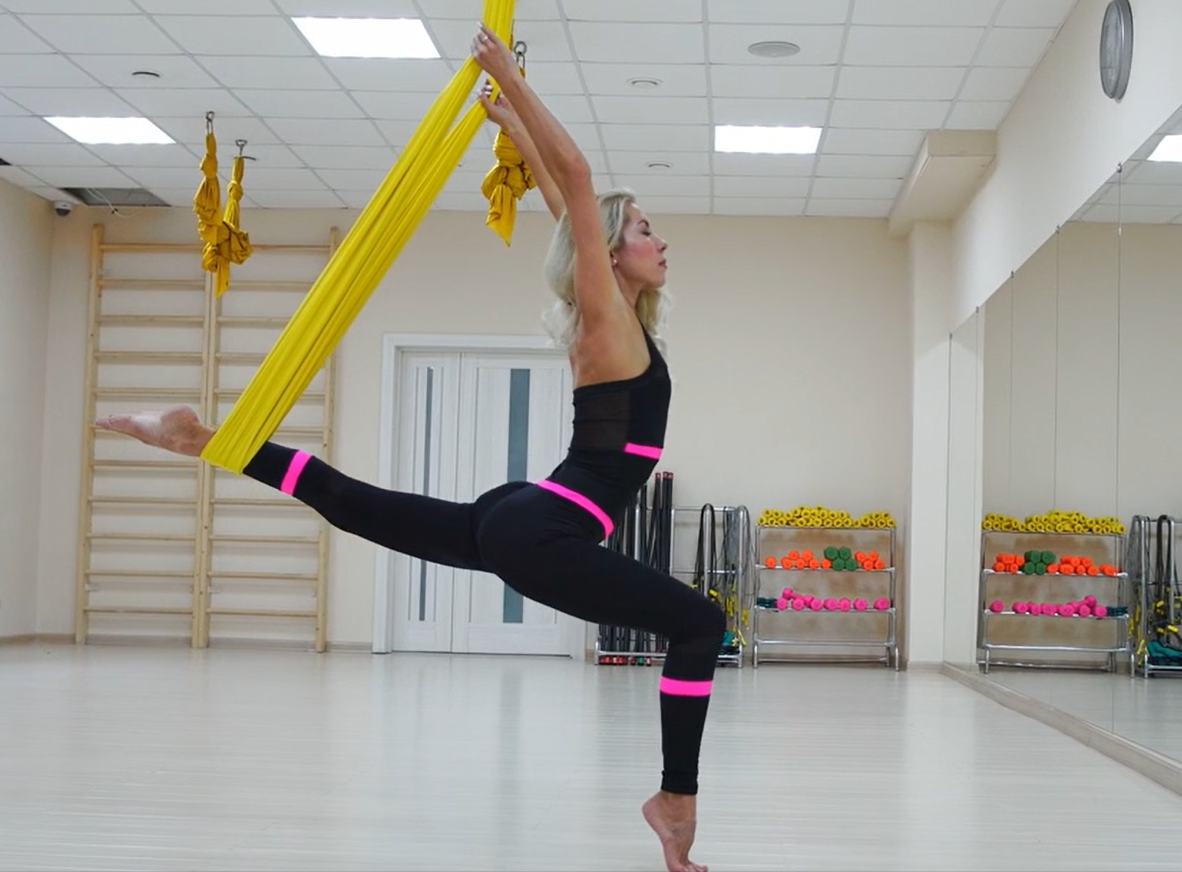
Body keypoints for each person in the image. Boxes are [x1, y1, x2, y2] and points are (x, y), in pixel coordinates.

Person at [95, 24, 722, 872]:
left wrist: (509, 126)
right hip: (546, 525)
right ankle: (674, 798)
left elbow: (561, 194)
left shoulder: (609, 313)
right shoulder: (602, 309)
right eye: (646, 228)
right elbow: (576, 185)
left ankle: (200, 438)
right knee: (700, 620)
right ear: (612, 252)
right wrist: (511, 83)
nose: (660, 240)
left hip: (530, 515)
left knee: (355, 504)